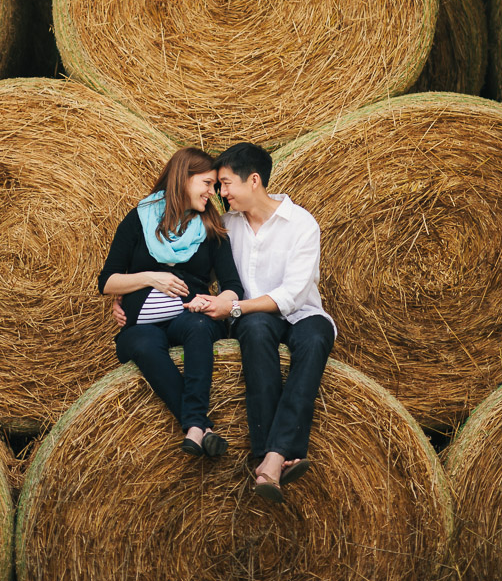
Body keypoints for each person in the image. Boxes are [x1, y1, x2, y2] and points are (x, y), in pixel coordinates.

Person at [190, 141, 337, 503]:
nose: (220, 193)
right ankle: (274, 456)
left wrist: (236, 308)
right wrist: (136, 292)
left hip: (300, 313)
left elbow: (291, 296)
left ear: (253, 180)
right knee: (255, 332)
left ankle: (271, 456)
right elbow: (189, 268)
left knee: (317, 337)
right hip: (253, 320)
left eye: (226, 184)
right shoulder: (225, 226)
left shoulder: (302, 224)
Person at [98, 146, 244, 457]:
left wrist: (216, 303)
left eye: (214, 186)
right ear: (183, 178)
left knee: (198, 327)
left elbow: (233, 287)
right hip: (141, 323)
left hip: (189, 315)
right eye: (206, 183)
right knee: (142, 343)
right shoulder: (140, 219)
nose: (211, 193)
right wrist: (151, 277)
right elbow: (107, 281)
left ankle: (194, 426)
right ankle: (199, 426)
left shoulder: (210, 227)